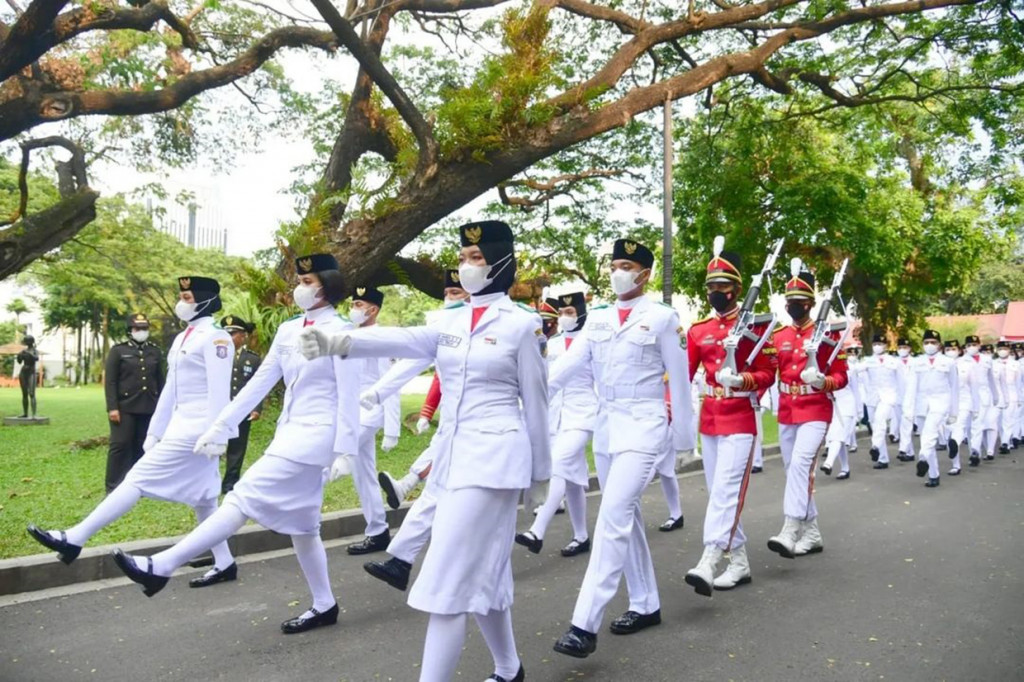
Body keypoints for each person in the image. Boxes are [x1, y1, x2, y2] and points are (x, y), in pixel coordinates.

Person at [300, 220, 548, 682]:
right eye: (463, 258)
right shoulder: (447, 322)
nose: (467, 266)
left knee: (446, 583)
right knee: (484, 574)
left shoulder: (522, 326)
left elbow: (537, 404)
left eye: (477, 258)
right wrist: (337, 340)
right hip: (452, 459)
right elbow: (400, 338)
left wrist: (540, 477)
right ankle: (509, 668)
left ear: (500, 263)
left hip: (495, 463)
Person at [110, 254, 360, 634]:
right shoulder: (290, 330)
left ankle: (161, 565)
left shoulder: (341, 331)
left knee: (240, 497)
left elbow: (349, 394)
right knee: (305, 527)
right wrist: (221, 425)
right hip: (290, 431)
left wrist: (346, 450)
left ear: (328, 285)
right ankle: (325, 604)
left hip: (315, 436)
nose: (300, 288)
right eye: (300, 280)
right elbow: (260, 382)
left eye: (307, 282)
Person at [28, 277, 234, 576]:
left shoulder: (217, 338)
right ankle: (225, 563)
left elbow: (219, 389)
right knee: (205, 500)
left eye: (187, 298)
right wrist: (155, 431)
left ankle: (75, 537)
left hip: (198, 429)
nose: (181, 303)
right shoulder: (183, 337)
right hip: (181, 425)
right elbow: (170, 390)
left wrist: (218, 434)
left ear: (205, 301)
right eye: (181, 296)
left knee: (137, 477)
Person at [550, 238, 694, 659]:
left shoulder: (663, 318)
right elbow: (567, 367)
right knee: (626, 516)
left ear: (644, 274)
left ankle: (584, 624)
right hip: (608, 426)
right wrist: (526, 396)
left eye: (626, 266)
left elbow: (680, 382)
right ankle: (645, 603)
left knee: (612, 516)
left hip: (644, 426)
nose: (618, 273)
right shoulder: (597, 318)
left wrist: (683, 441)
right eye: (614, 265)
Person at [683, 237, 777, 596]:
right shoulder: (699, 330)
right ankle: (739, 562)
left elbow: (769, 372)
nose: (715, 293)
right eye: (711, 287)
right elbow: (684, 373)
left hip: (739, 416)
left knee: (725, 491)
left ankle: (709, 560)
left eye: (722, 286)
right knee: (718, 494)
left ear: (737, 289)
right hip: (710, 418)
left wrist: (742, 380)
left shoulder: (757, 326)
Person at [765, 260, 848, 558]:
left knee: (801, 465)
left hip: (815, 408)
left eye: (799, 301)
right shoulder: (778, 336)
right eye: (789, 301)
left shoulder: (827, 334)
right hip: (787, 409)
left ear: (811, 303)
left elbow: (842, 376)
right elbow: (769, 371)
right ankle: (812, 533)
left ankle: (790, 529)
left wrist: (823, 381)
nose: (793, 306)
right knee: (794, 471)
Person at [516, 290, 596, 558]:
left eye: (570, 312)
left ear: (581, 313)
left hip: (583, 414)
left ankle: (537, 531)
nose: (564, 317)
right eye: (561, 313)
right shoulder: (554, 343)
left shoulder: (592, 341)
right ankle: (581, 536)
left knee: (559, 465)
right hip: (555, 416)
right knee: (572, 478)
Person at [378, 270, 468, 506]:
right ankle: (407, 486)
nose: (449, 299)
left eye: (455, 293)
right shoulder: (442, 329)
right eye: (446, 293)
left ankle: (407, 485)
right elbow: (440, 376)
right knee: (441, 454)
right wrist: (427, 413)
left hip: (480, 416)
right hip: (453, 412)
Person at [338, 285, 401, 556]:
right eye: (353, 304)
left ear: (373, 310)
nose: (353, 309)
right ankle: (378, 532)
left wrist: (392, 429)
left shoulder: (383, 338)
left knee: (336, 454)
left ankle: (295, 512)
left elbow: (392, 382)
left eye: (359, 305)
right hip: (350, 408)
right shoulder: (348, 335)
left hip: (371, 409)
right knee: (363, 473)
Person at [901, 330, 958, 488]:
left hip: (940, 402)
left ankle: (923, 458)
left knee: (930, 433)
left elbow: (954, 388)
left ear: (939, 344)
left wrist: (954, 412)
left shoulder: (948, 362)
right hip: (922, 403)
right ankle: (933, 474)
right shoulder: (917, 362)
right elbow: (911, 387)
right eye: (926, 342)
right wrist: (908, 410)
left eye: (933, 342)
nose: (930, 345)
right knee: (925, 438)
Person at [219, 315, 262, 494]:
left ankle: (229, 483)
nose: (229, 338)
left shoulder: (252, 359)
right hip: (218, 409)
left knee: (237, 449)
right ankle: (209, 481)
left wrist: (256, 408)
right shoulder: (217, 356)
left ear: (243, 336)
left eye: (233, 334)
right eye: (226, 334)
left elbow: (259, 386)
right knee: (213, 446)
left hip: (241, 410)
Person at [861, 333, 903, 469]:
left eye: (880, 344)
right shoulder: (868, 361)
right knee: (875, 425)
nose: (877, 346)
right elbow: (854, 370)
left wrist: (901, 399)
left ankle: (875, 446)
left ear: (885, 346)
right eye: (875, 344)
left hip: (888, 396)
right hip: (873, 397)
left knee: (880, 420)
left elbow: (902, 381)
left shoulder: (894, 361)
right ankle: (882, 458)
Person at [967, 338, 1002, 463]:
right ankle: (974, 451)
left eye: (974, 344)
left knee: (978, 424)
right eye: (969, 345)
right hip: (967, 396)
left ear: (979, 345)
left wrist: (996, 396)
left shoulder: (987, 360)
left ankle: (975, 451)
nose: (972, 347)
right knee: (970, 427)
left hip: (984, 395)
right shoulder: (960, 361)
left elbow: (991, 379)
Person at [994, 340, 1020, 454]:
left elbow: (1018, 382)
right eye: (1000, 349)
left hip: (1011, 394)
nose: (1002, 351)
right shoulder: (993, 363)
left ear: (1009, 350)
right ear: (997, 350)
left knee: (1008, 419)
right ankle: (1004, 441)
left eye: (1005, 349)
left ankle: (1005, 442)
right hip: (998, 395)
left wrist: (1019, 398)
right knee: (999, 421)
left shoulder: (1015, 364)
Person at [16, 334, 39, 418]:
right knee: (24, 394)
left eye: (27, 341)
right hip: (23, 373)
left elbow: (36, 358)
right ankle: (25, 413)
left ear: (31, 342)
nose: (26, 343)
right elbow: (19, 362)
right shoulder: (24, 351)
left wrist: (28, 353)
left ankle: (34, 414)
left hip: (31, 373)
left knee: (32, 393)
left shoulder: (34, 351)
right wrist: (19, 356)